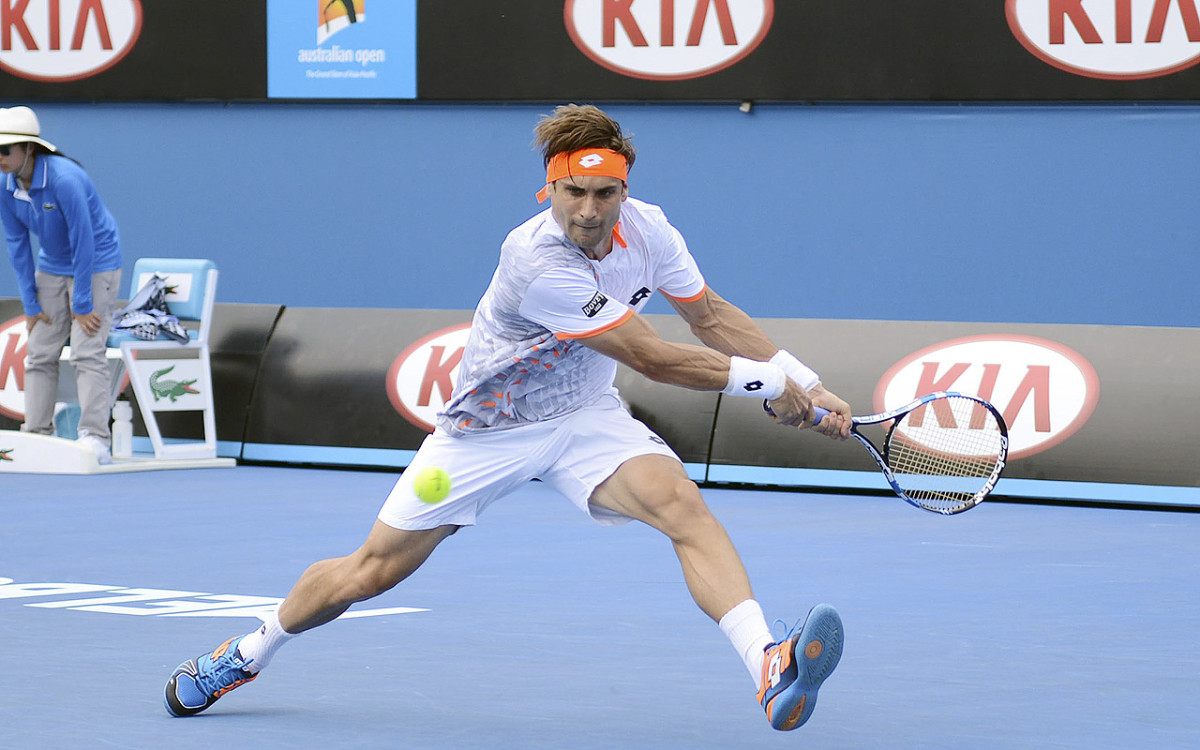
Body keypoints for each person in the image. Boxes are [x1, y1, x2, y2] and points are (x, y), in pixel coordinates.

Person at [163, 104, 854, 731]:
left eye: (604, 193)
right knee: (369, 572)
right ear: (548, 190)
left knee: (682, 505)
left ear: (625, 190)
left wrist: (808, 381)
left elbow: (708, 315)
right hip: (485, 433)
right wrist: (772, 382)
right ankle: (251, 650)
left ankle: (767, 663)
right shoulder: (535, 262)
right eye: (573, 192)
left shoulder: (652, 231)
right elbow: (653, 358)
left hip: (584, 416)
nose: (588, 209)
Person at [0, 106, 123, 464]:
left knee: (87, 352)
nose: (0, 158)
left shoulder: (66, 180)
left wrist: (82, 302)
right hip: (51, 267)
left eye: (5, 150)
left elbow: (84, 241)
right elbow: (16, 242)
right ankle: (36, 435)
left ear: (29, 149)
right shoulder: (4, 185)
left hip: (97, 264)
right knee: (38, 352)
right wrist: (30, 302)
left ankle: (95, 438)